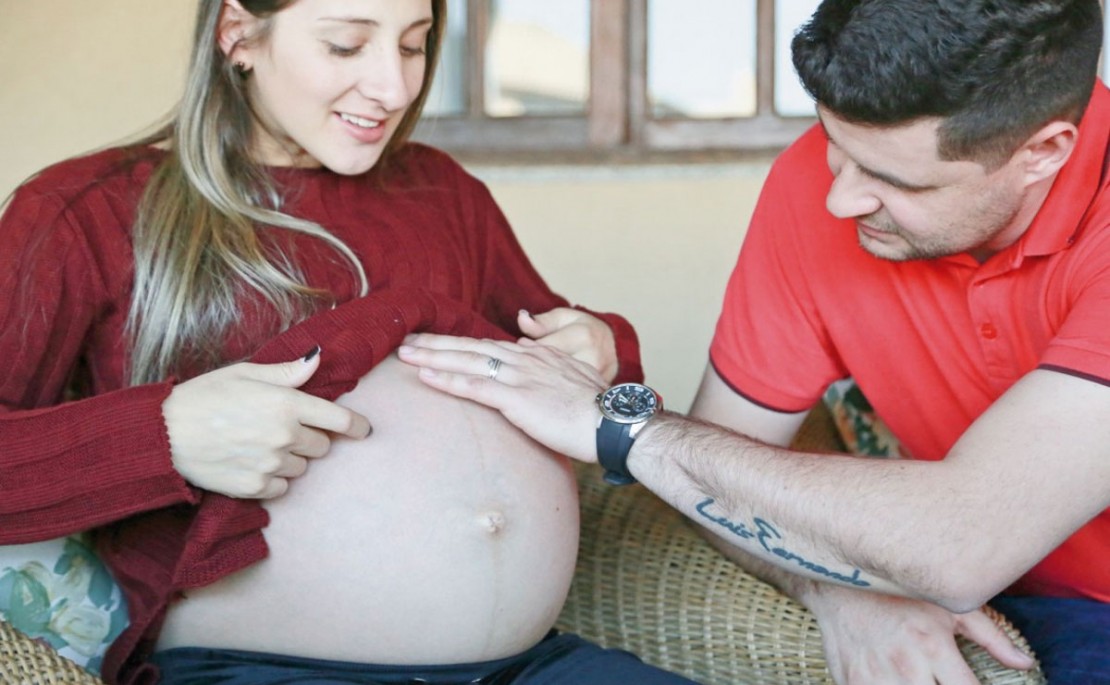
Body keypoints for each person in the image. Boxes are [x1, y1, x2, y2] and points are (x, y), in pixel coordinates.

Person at [398, 0, 1110, 683]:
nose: (839, 201)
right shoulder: (815, 182)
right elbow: (725, 452)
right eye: (837, 148)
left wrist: (623, 426)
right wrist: (839, 592)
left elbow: (961, 544)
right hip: (988, 587)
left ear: (1043, 151)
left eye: (894, 181)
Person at [0, 1, 700, 684]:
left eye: (414, 43)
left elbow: (597, 394)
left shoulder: (445, 194)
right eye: (346, 45)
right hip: (255, 666)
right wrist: (163, 435)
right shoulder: (83, 210)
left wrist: (605, 350)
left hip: (528, 660)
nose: (394, 88)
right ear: (238, 32)